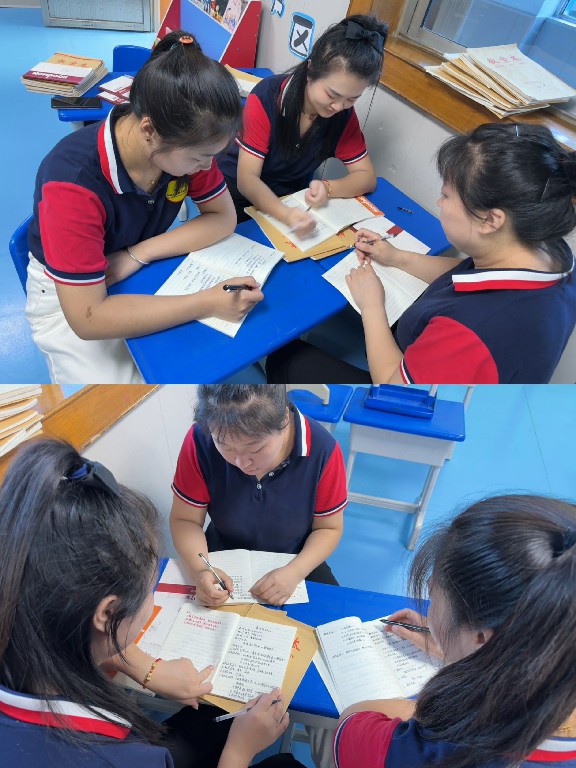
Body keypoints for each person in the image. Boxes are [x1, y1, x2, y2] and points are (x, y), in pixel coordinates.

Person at [0, 438, 305, 768]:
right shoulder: (129, 759)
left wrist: (147, 668)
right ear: (108, 612)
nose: (154, 596)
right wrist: (239, 751)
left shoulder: (21, 615)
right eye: (151, 588)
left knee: (212, 718)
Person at [26, 30, 264, 385]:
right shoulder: (71, 184)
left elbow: (223, 217)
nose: (207, 166)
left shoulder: (188, 142)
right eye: (200, 158)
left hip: (130, 264)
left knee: (198, 362)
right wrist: (206, 302)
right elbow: (88, 318)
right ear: (149, 130)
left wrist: (138, 254)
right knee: (130, 391)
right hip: (70, 296)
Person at [266, 122, 576, 384]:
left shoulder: (475, 330)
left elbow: (393, 386)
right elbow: (469, 273)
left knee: (287, 360)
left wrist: (372, 306)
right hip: (459, 363)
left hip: (415, 396)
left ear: (491, 220)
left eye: (446, 195)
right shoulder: (549, 251)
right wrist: (398, 257)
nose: (439, 203)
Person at [334, 494, 576, 768]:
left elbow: (353, 724)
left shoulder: (427, 754)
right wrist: (468, 653)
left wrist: (450, 676)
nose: (429, 610)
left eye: (432, 596)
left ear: (482, 638)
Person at [170, 384, 347, 606]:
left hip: (296, 556)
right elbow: (185, 519)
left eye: (255, 449)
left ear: (284, 419)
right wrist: (200, 570)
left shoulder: (323, 450)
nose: (241, 463)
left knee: (335, 612)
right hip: (222, 555)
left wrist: (295, 572)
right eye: (225, 447)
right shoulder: (200, 439)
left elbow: (329, 528)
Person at [217, 15, 386, 233]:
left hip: (290, 199)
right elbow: (247, 180)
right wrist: (285, 214)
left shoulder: (343, 116)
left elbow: (367, 177)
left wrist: (327, 187)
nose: (339, 106)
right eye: (331, 94)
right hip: (237, 198)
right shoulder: (266, 98)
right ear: (310, 70)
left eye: (352, 99)